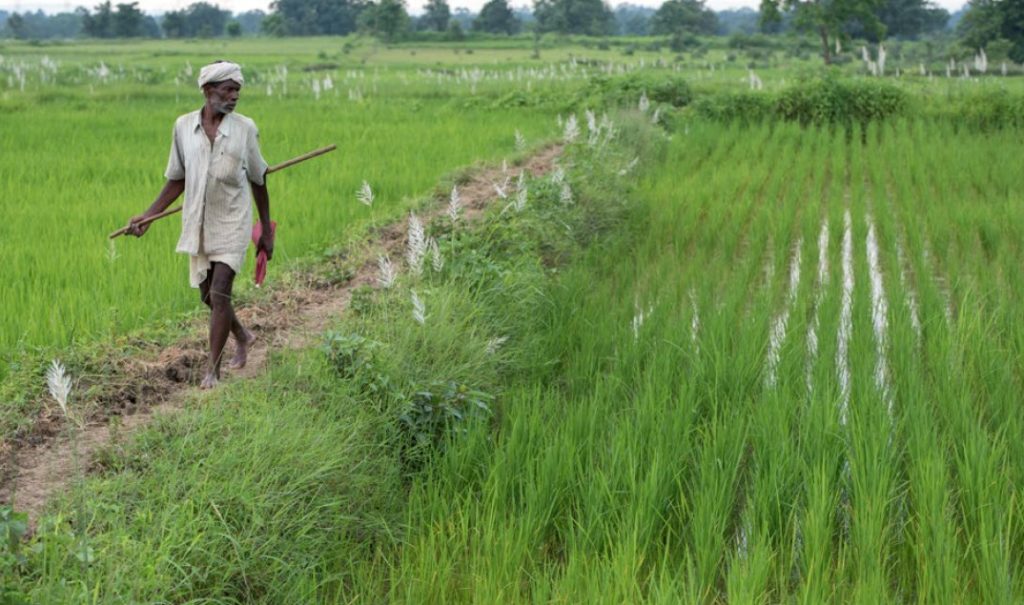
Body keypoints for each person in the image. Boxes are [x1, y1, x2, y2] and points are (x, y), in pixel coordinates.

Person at [127, 60, 273, 389]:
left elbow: (259, 179)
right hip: (198, 221)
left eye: (238, 90)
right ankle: (242, 334)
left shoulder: (245, 129)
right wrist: (148, 216)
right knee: (208, 296)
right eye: (228, 90)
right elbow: (176, 179)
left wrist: (265, 229)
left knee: (221, 293)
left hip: (233, 220)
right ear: (208, 91)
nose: (234, 96)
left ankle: (213, 371)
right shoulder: (183, 127)